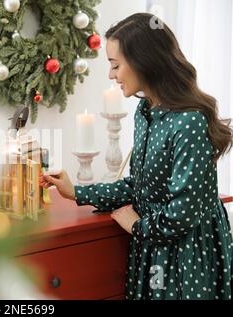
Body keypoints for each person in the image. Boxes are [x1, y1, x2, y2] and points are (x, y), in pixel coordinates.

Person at [39, 13, 233, 300]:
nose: (111, 75)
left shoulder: (189, 122)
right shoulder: (145, 112)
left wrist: (136, 225)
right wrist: (76, 192)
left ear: (145, 60)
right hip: (154, 247)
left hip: (186, 258)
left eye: (115, 65)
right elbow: (139, 185)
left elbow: (183, 212)